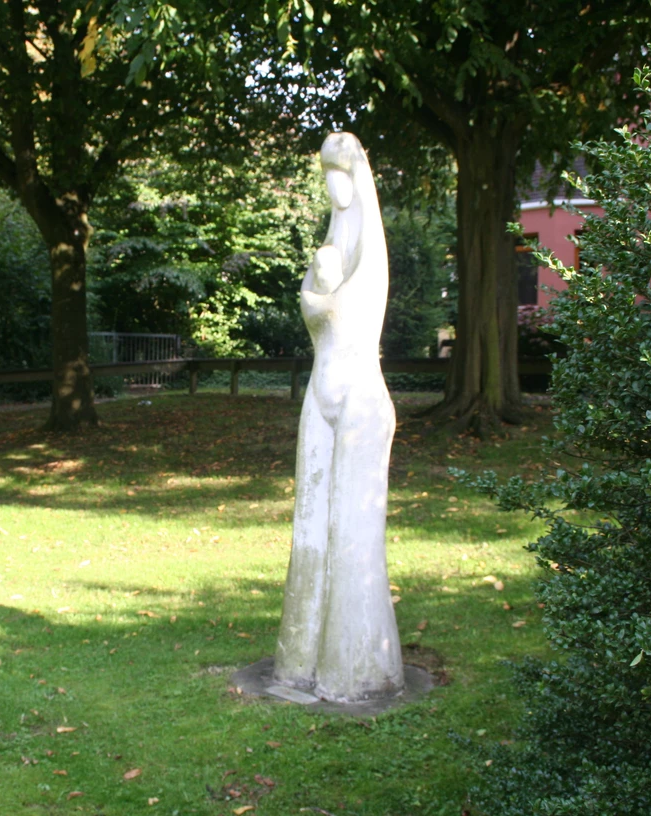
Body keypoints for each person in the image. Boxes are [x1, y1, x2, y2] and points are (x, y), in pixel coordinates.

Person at [273, 132, 404, 703]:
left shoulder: (368, 254)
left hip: (357, 397)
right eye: (327, 176)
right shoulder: (332, 243)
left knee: (351, 538)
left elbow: (341, 306)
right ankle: (298, 659)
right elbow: (314, 305)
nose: (334, 188)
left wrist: (322, 295)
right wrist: (320, 290)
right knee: (309, 532)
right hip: (319, 393)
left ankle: (353, 669)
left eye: (342, 174)